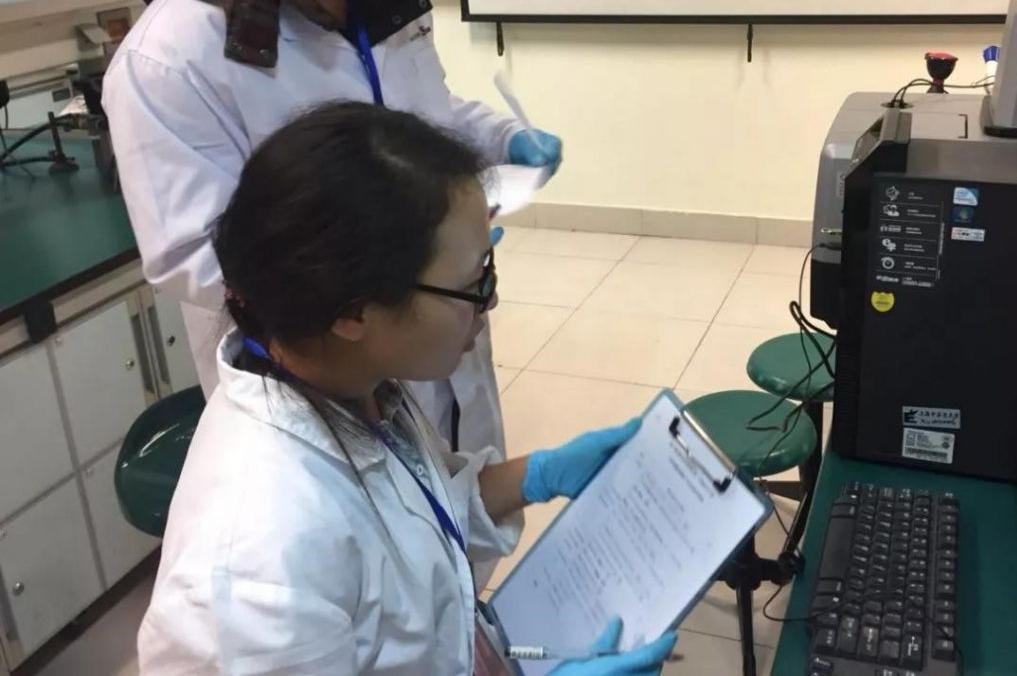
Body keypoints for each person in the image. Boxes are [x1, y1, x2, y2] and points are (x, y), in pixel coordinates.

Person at [101, 0, 557, 461]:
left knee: (462, 501)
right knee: (376, 525)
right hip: (322, 405)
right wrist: (400, 263)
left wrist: (499, 139)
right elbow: (192, 255)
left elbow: (420, 118)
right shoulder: (173, 56)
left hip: (436, 347)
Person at [139, 102, 674, 675]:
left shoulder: (349, 382)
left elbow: (412, 518)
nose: (491, 301)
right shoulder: (260, 568)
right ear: (354, 313)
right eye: (473, 284)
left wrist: (536, 476)